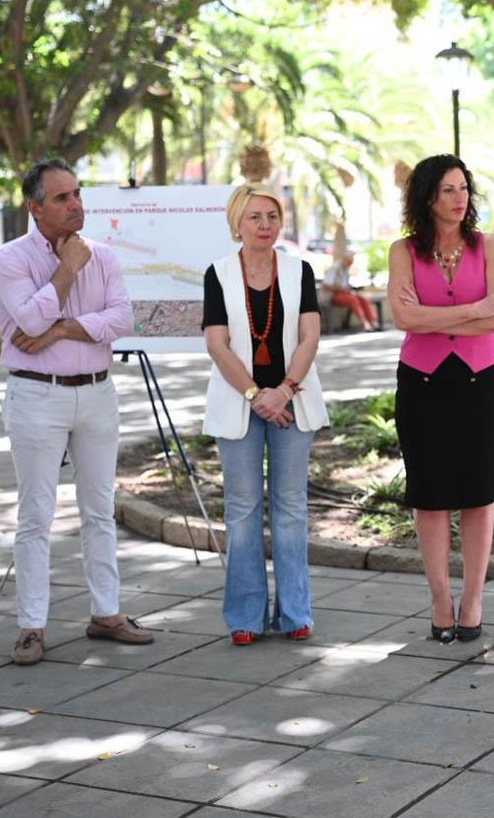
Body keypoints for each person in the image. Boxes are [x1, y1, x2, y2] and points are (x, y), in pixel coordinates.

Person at [0, 157, 152, 666]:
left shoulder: (104, 256)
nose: (76, 204)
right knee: (36, 515)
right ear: (35, 208)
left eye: (78, 194)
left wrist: (60, 330)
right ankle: (31, 626)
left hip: (98, 393)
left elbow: (121, 318)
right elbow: (30, 316)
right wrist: (66, 271)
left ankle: (106, 612)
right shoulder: (11, 259)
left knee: (99, 509)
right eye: (62, 198)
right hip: (37, 394)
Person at [202, 156, 328, 646]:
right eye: (255, 216)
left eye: (272, 216)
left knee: (292, 507)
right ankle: (245, 616)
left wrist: (284, 391)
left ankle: (296, 612)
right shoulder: (217, 273)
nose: (265, 225)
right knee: (242, 508)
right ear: (237, 222)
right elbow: (217, 344)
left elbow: (310, 337)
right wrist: (257, 396)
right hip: (240, 403)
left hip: (292, 400)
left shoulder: (300, 271)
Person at [388, 154, 494, 643]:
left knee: (480, 495)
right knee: (431, 496)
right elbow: (405, 320)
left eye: (463, 188)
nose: (459, 198)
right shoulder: (404, 252)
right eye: (447, 190)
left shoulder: (489, 247)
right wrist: (475, 308)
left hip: (480, 382)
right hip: (422, 384)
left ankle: (474, 599)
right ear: (426, 197)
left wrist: (444, 315)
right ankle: (441, 599)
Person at [322, 249, 380, 331]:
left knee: (363, 299)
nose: (350, 264)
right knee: (353, 300)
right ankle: (365, 323)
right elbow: (326, 285)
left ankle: (373, 322)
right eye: (349, 262)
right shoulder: (335, 268)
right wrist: (340, 289)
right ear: (344, 259)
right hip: (333, 295)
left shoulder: (345, 270)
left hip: (345, 293)